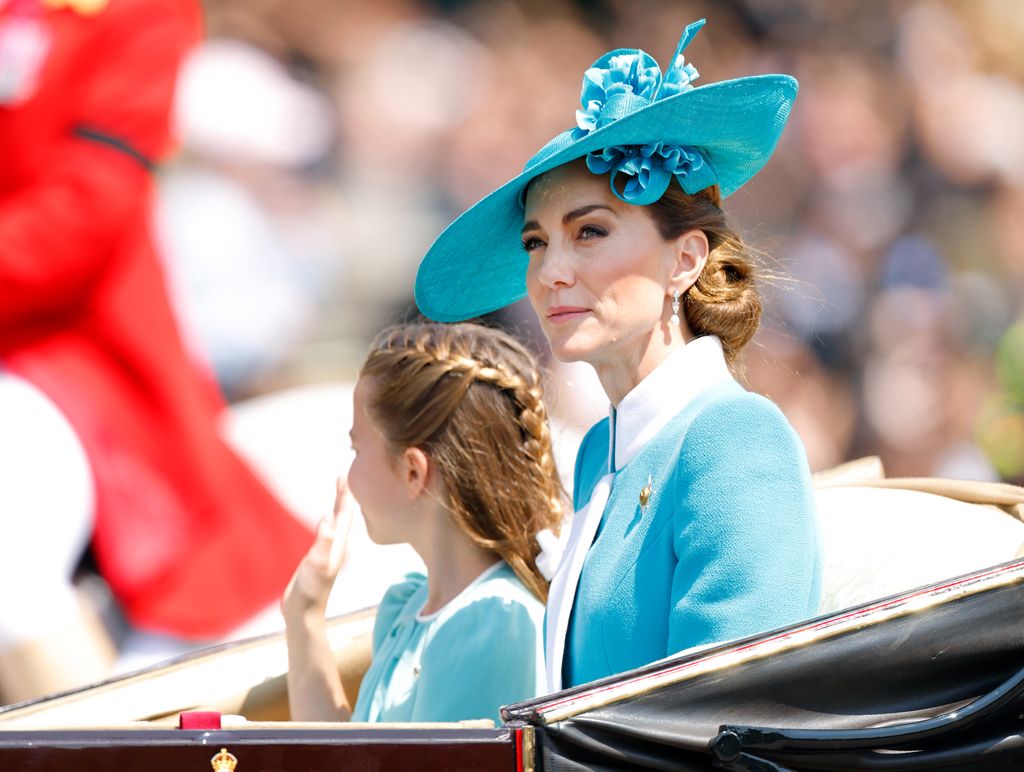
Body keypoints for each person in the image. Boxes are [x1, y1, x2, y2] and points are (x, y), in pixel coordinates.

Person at [414, 19, 821, 692]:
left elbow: (732, 714)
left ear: (684, 260)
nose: (550, 273)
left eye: (591, 232)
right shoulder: (600, 449)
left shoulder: (733, 437)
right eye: (536, 243)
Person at [0, 0, 312, 702]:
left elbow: (85, 212)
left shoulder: (132, 11)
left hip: (64, 349)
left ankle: (101, 746)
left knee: (8, 565)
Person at [283, 321, 563, 723]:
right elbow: (345, 751)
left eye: (356, 449)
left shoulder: (491, 621)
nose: (349, 474)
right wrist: (304, 613)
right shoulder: (411, 606)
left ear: (412, 471)